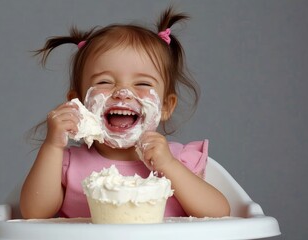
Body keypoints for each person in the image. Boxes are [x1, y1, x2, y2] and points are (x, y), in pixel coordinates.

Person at [20, 6, 230, 219]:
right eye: (104, 81)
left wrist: (169, 166)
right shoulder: (66, 164)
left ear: (166, 106)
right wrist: (53, 145)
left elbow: (219, 213)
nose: (123, 93)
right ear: (79, 103)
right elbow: (34, 213)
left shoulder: (179, 160)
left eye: (142, 83)